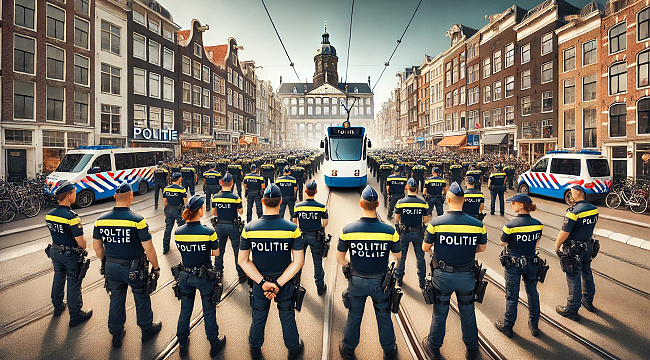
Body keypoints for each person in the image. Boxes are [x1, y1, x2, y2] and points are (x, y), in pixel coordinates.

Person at [238, 184, 305, 360]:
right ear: (280, 202)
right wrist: (278, 284)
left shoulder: (249, 229)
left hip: (260, 284)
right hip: (284, 283)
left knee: (258, 317)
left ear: (262, 202)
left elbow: (243, 261)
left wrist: (263, 283)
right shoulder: (292, 229)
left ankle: (255, 349)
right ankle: (293, 349)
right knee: (287, 317)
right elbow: (298, 261)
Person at [421, 182, 487, 360]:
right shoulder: (477, 224)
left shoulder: (436, 223)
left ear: (448, 199)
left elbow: (425, 247)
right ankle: (472, 349)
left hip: (442, 276)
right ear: (463, 200)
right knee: (468, 312)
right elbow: (482, 248)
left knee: (440, 311)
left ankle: (433, 347)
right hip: (467, 275)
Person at [93, 182, 162, 349]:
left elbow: (97, 247)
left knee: (116, 297)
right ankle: (147, 330)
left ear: (115, 197)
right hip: (135, 268)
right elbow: (149, 248)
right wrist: (156, 267)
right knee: (141, 296)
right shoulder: (138, 221)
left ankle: (116, 334)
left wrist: (105, 262)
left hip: (111, 266)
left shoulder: (100, 220)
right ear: (131, 196)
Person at [338, 185, 401, 360]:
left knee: (354, 315)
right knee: (384, 316)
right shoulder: (389, 231)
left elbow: (340, 259)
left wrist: (353, 262)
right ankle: (389, 350)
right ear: (378, 204)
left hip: (356, 281)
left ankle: (348, 349)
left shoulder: (348, 230)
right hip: (381, 283)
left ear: (361, 204)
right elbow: (398, 254)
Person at [174, 195, 227, 357]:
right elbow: (216, 253)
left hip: (185, 276)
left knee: (185, 309)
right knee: (209, 310)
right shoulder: (208, 232)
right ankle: (213, 342)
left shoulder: (178, 232)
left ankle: (182, 342)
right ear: (201, 210)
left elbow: (183, 251)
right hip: (204, 277)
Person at [494, 193, 542, 338]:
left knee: (512, 295)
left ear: (521, 205)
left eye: (513, 203)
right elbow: (536, 242)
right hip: (532, 262)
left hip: (514, 264)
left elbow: (503, 243)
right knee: (533, 293)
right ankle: (534, 326)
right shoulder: (538, 224)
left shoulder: (510, 225)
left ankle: (508, 326)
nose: (511, 204)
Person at [45, 182, 93, 326]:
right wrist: (85, 247)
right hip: (69, 254)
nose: (75, 195)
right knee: (73, 281)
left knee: (58, 277)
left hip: (55, 251)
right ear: (68, 195)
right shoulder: (71, 217)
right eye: (74, 192)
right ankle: (75, 315)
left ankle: (58, 306)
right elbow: (81, 242)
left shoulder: (50, 214)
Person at [555, 184, 598, 320]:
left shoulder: (573, 212)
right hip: (588, 245)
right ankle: (588, 301)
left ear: (579, 193)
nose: (571, 195)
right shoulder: (594, 209)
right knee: (587, 272)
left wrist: (557, 246)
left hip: (574, 249)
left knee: (573, 276)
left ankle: (572, 309)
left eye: (572, 193)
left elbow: (564, 233)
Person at [292, 180, 329, 295]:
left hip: (301, 236)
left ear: (305, 191)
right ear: (316, 192)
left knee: (298, 261)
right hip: (316, 237)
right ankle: (320, 286)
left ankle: (296, 284)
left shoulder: (298, 207)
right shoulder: (321, 207)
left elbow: (294, 222)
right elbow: (325, 222)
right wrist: (318, 225)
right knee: (317, 262)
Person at [211, 173, 247, 284]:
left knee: (219, 250)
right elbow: (240, 212)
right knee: (237, 250)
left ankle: (218, 271)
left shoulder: (216, 197)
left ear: (221, 183)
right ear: (232, 183)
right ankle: (241, 275)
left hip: (220, 226)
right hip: (233, 226)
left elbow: (213, 212)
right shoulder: (235, 197)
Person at [394, 178, 430, 289]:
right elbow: (425, 220)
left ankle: (399, 279)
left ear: (407, 187)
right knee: (420, 258)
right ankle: (422, 281)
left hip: (404, 233)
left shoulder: (400, 203)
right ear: (417, 188)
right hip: (418, 233)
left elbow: (396, 219)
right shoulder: (423, 203)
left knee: (401, 257)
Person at [162, 173, 188, 255]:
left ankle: (165, 247)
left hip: (169, 209)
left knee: (168, 229)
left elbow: (164, 201)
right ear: (180, 179)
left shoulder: (166, 189)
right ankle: (184, 245)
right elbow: (185, 203)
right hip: (178, 210)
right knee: (182, 228)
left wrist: (166, 210)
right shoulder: (182, 189)